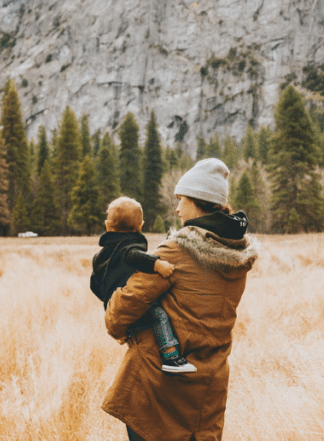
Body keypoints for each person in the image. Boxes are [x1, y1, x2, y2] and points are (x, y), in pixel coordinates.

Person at [102, 158, 257, 441]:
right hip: (208, 388)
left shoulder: (175, 252)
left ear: (197, 201)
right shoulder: (237, 257)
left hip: (158, 388)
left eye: (181, 199)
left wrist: (117, 319)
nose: (176, 208)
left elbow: (121, 311)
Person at [90, 196, 197, 374]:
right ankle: (170, 356)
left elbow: (94, 284)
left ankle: (132, 331)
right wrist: (157, 265)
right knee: (159, 315)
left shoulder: (100, 256)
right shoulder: (129, 247)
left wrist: (108, 296)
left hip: (113, 305)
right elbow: (133, 256)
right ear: (141, 226)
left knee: (140, 326)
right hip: (129, 303)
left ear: (107, 225)